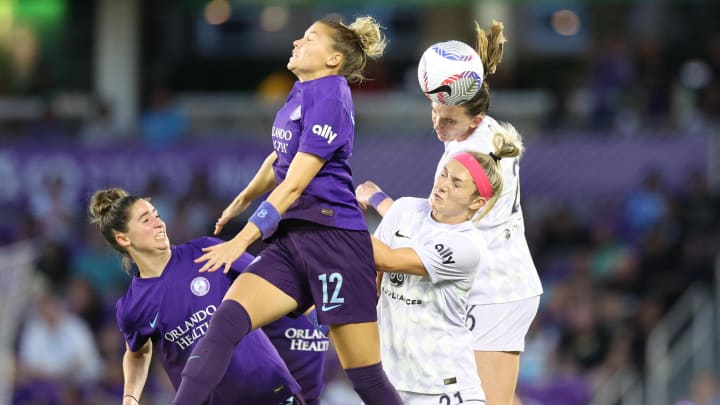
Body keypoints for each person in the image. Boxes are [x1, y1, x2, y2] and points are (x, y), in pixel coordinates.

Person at [173, 16, 403, 405]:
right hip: (292, 239)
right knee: (224, 324)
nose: (297, 40)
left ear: (333, 59)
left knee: (366, 379)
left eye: (310, 37)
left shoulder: (332, 96)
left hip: (335, 243)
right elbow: (280, 155)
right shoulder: (301, 90)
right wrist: (244, 197)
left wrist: (241, 240)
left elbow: (296, 182)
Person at [356, 20, 543, 405]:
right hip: (488, 284)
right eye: (435, 112)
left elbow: (429, 226)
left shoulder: (468, 159)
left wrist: (376, 200)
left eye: (449, 120)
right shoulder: (480, 129)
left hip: (497, 291)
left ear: (473, 120)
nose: (438, 125)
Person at [88, 187, 317, 405]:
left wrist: (321, 318)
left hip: (270, 391)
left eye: (157, 215)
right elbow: (138, 352)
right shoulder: (132, 307)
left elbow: (278, 282)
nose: (159, 223)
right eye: (146, 220)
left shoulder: (207, 251)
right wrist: (131, 398)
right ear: (124, 239)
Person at [371, 126, 523, 404]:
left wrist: (338, 214)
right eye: (444, 173)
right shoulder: (404, 209)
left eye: (456, 183)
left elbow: (386, 259)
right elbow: (374, 272)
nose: (441, 185)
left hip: (443, 390)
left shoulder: (467, 246)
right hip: (390, 382)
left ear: (477, 202)